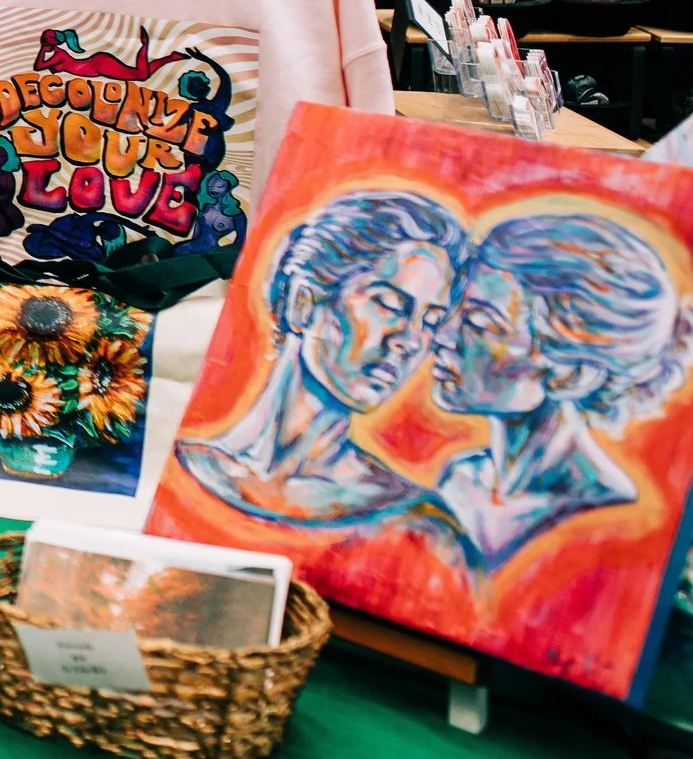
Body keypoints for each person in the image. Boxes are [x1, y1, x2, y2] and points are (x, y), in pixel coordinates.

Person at [175, 191, 468, 524]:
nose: (411, 340)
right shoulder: (179, 470)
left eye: (430, 321)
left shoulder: (418, 522)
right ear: (303, 304)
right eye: (388, 304)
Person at [430, 212, 693, 569]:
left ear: (572, 373)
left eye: (480, 322)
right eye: (454, 308)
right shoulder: (460, 479)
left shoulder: (606, 520)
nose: (443, 334)